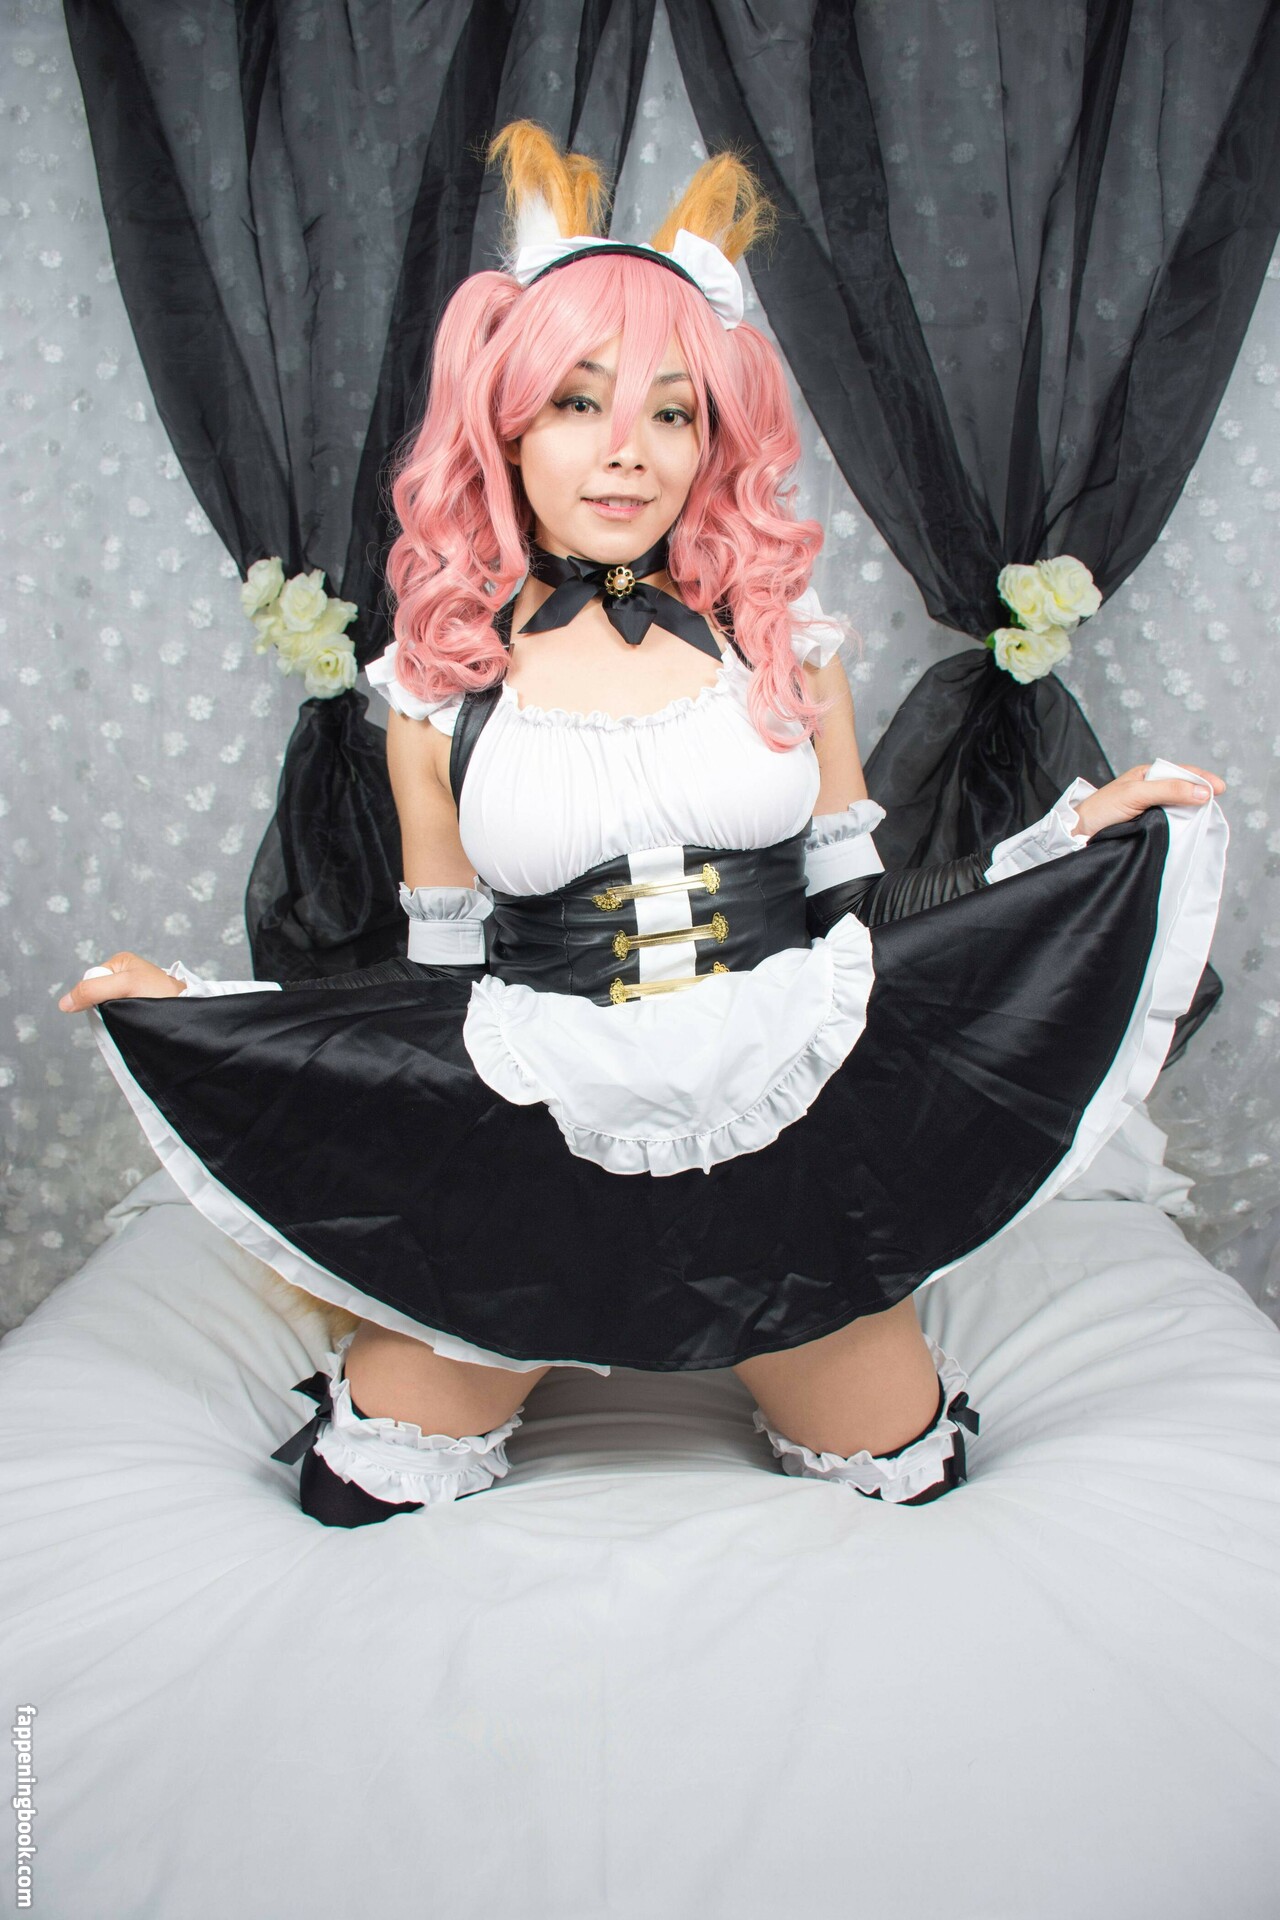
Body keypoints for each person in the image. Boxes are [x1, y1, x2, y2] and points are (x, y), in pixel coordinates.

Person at [58, 121, 1227, 1529]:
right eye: (578, 403)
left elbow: (864, 924)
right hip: (538, 1140)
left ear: (711, 437)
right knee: (362, 1485)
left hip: (784, 1130)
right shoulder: (438, 694)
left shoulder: (786, 648)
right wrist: (204, 1017)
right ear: (504, 424)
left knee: (908, 1474)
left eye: (671, 413)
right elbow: (434, 999)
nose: (629, 455)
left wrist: (1067, 843)